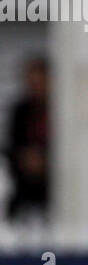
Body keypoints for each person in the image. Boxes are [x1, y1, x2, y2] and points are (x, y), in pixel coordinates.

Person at [4, 56, 49, 221]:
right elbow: (11, 143)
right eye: (31, 83)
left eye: (38, 83)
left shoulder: (59, 109)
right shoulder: (20, 110)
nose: (34, 87)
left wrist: (44, 160)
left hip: (51, 182)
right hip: (23, 183)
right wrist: (25, 158)